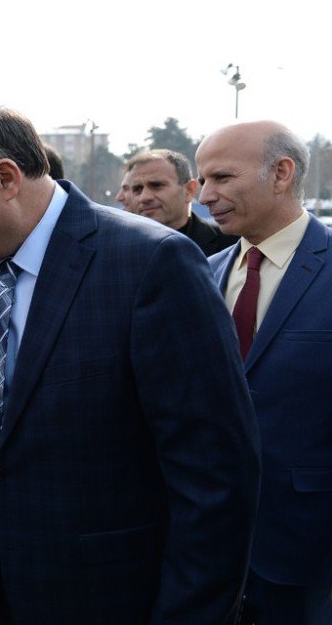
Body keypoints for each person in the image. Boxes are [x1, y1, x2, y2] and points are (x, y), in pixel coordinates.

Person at [0, 97, 261, 624]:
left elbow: (216, 477)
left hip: (116, 600)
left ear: (6, 178)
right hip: (2, 591)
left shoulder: (150, 264)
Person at [199, 120, 332, 625]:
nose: (206, 194)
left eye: (222, 178)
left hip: (310, 557)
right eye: (203, 179)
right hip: (210, 550)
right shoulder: (201, 274)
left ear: (281, 173)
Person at [125, 149, 237, 256]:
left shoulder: (234, 245)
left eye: (157, 186)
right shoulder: (119, 249)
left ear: (189, 190)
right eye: (137, 189)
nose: (144, 197)